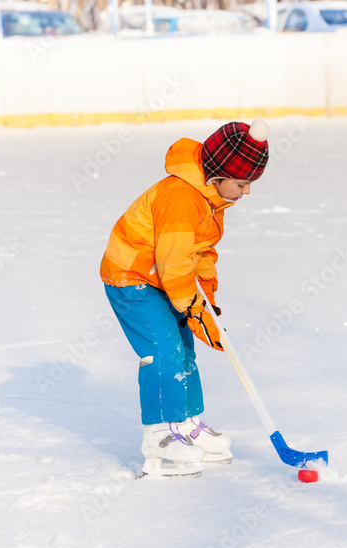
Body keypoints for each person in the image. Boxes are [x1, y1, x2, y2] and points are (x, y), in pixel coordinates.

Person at [100, 119, 270, 478]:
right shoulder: (181, 198)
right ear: (219, 174)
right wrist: (193, 308)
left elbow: (202, 253)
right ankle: (161, 433)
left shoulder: (210, 198)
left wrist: (206, 302)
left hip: (162, 279)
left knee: (183, 348)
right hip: (132, 278)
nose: (246, 192)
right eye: (242, 184)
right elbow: (173, 261)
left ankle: (188, 423)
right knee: (163, 349)